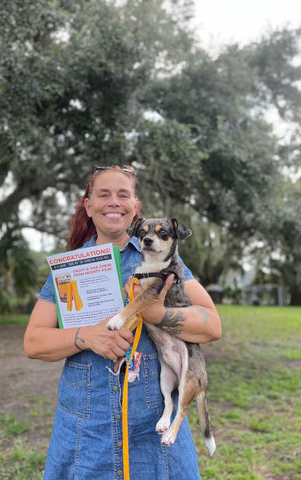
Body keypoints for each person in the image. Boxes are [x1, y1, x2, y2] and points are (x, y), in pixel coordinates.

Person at [24, 165, 222, 480]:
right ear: (88, 206)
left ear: (135, 207)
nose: (113, 202)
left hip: (152, 429)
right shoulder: (68, 268)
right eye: (103, 195)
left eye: (123, 195)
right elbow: (34, 342)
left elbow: (212, 325)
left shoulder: (164, 260)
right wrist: (86, 337)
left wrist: (156, 313)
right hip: (85, 433)